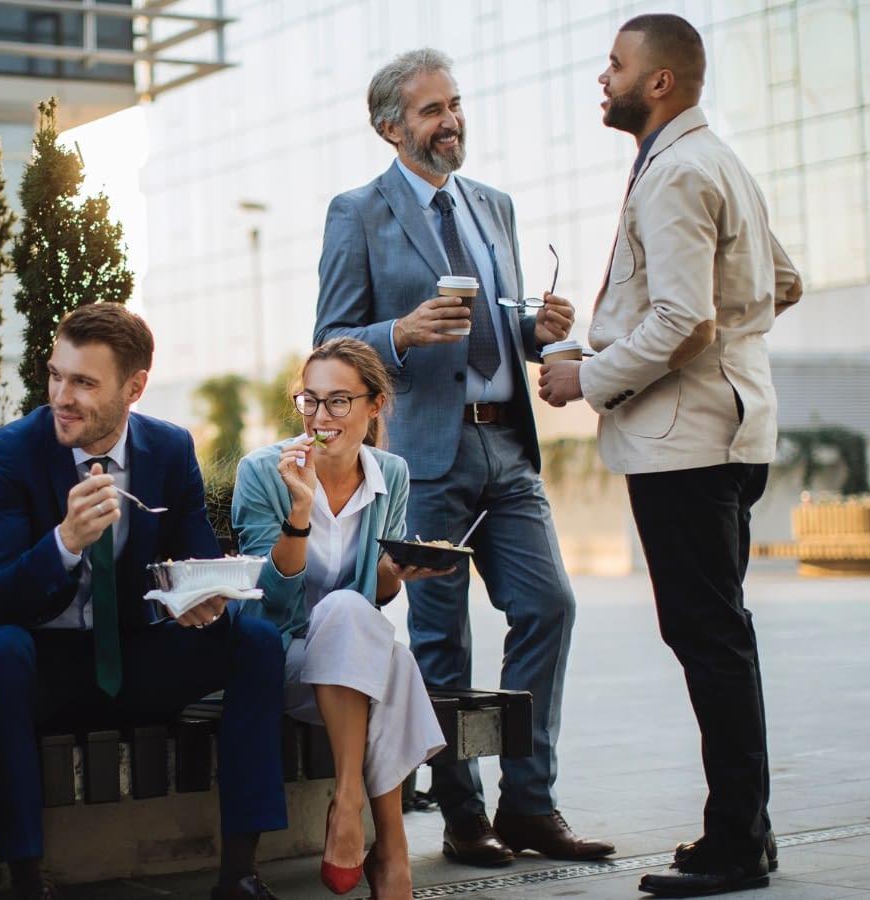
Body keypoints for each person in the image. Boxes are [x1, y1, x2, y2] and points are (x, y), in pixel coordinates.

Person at [315, 48, 613, 866]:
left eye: (454, 104)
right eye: (430, 111)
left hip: (508, 444)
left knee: (548, 607)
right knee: (444, 642)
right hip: (425, 456)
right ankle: (462, 813)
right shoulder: (358, 213)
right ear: (390, 128)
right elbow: (330, 344)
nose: (450, 120)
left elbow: (500, 328)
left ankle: (530, 803)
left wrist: (537, 330)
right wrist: (399, 335)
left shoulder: (495, 207)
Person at [538, 14, 803, 897]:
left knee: (709, 638)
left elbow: (686, 319)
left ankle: (736, 844)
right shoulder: (714, 160)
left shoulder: (678, 171)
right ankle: (743, 832)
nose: (602, 77)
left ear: (659, 82)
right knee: (719, 634)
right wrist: (726, 349)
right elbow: (780, 282)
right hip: (730, 429)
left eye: (615, 65)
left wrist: (591, 376)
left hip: (687, 445)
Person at [0, 302, 288, 900]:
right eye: (55, 374)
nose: (62, 395)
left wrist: (202, 599)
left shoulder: (170, 449)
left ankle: (240, 874)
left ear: (134, 387)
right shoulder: (13, 451)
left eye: (83, 382)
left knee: (254, 641)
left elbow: (197, 560)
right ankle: (26, 879)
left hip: (135, 659)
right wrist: (64, 542)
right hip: (43, 671)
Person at [231, 338, 449, 899]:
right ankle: (377, 834)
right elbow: (269, 601)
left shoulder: (391, 474)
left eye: (338, 402)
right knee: (390, 656)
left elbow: (374, 592)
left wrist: (400, 569)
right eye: (310, 401)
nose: (321, 417)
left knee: (372, 636)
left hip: (346, 662)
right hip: (282, 659)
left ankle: (371, 834)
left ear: (374, 406)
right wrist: (300, 510)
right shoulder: (264, 471)